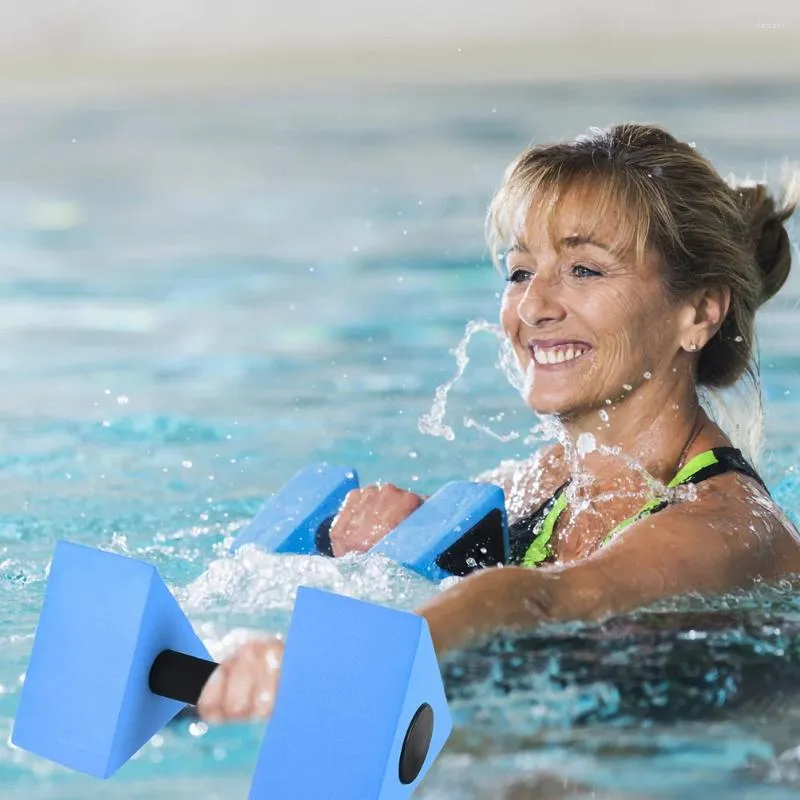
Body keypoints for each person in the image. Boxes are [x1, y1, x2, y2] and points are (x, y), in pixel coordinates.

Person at [196, 123, 800, 723]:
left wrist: (330, 662)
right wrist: (385, 551)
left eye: (585, 270)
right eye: (519, 272)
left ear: (699, 313)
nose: (534, 307)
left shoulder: (730, 526)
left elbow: (537, 599)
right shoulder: (541, 484)